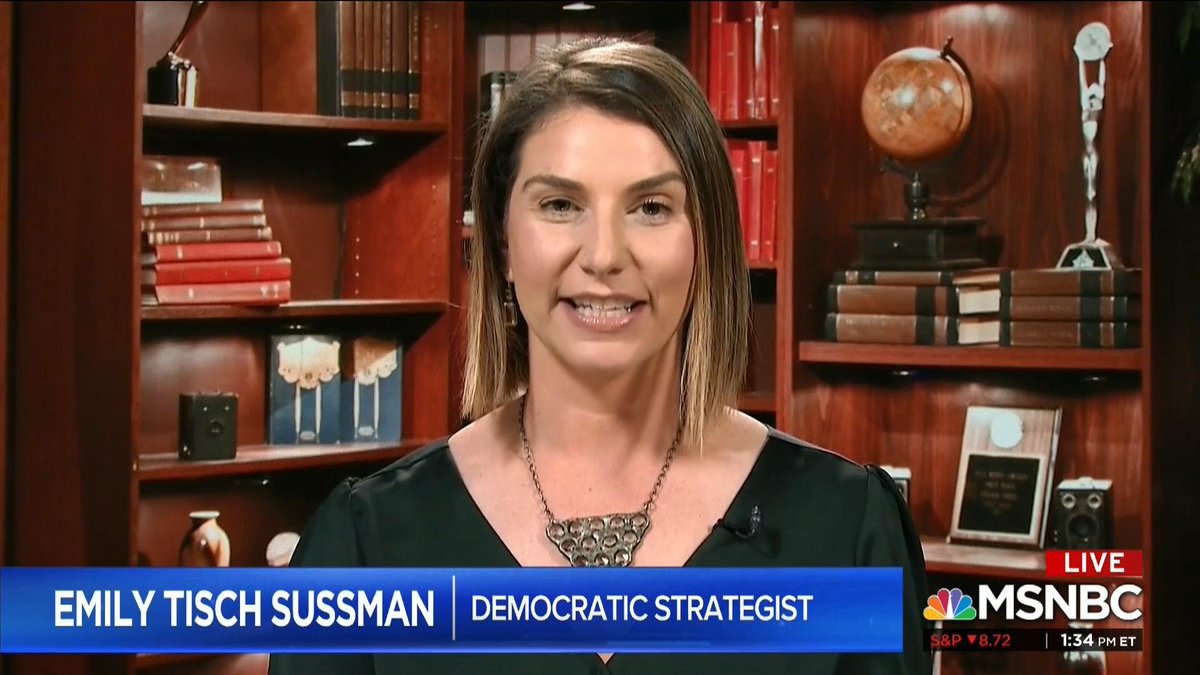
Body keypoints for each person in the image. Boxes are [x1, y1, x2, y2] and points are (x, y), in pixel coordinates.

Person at [269, 36, 931, 675]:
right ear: (502, 242)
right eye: (560, 204)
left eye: (650, 207)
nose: (605, 254)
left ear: (707, 243)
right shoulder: (366, 541)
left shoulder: (848, 529)